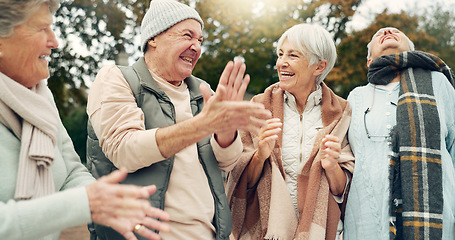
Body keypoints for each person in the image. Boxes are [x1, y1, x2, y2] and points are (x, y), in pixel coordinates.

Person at [86, 0, 271, 239]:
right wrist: (202, 125)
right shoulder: (117, 78)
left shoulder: (203, 91)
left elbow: (226, 163)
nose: (196, 46)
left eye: (200, 40)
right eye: (187, 35)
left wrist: (226, 132)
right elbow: (124, 150)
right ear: (153, 37)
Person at [0, 0, 171, 240]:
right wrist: (85, 203)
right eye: (41, 29)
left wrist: (107, 202)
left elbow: (70, 172)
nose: (54, 42)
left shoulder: (41, 98)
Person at [225, 23, 355, 240]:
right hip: (265, 232)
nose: (281, 63)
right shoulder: (258, 107)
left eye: (293, 55)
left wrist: (332, 166)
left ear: (319, 67)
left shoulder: (342, 114)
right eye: (280, 54)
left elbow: (344, 190)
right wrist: (260, 155)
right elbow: (240, 181)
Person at [343, 27, 455, 239]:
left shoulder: (437, 84)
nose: (386, 31)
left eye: (396, 32)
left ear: (411, 52)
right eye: (378, 35)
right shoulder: (355, 97)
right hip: (364, 217)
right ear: (369, 62)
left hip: (435, 214)